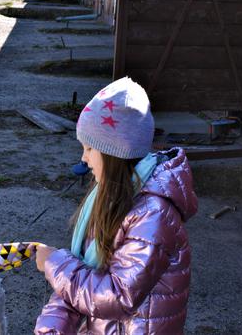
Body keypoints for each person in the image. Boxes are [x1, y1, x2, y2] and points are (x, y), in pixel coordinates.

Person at [34, 77, 198, 334]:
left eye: (89, 148)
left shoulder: (152, 216)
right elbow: (81, 276)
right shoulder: (107, 196)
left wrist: (55, 263)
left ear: (115, 153)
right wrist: (51, 329)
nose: (83, 158)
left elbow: (117, 296)